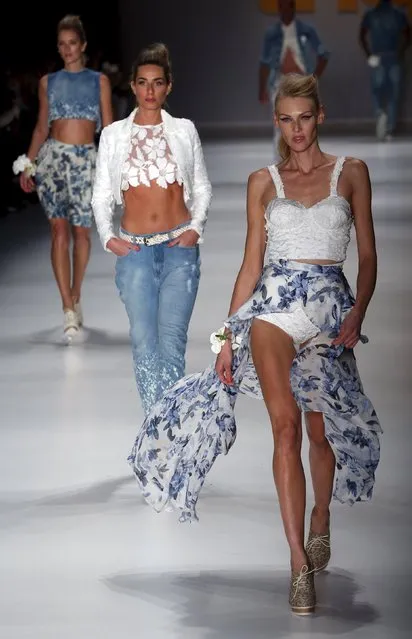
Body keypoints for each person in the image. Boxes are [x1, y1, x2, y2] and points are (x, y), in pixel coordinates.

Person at [128, 74, 382, 615]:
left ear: (321, 115)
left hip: (330, 308)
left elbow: (368, 254)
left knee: (320, 432)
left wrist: (358, 310)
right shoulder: (262, 181)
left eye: (305, 117)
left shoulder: (352, 173)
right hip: (273, 309)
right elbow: (249, 267)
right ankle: (296, 562)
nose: (296, 129)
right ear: (277, 121)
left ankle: (321, 518)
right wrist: (225, 338)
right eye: (286, 119)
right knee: (285, 424)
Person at [91, 43, 212, 415]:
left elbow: (202, 185)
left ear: (168, 87)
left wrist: (195, 227)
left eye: (157, 83)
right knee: (144, 343)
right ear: (132, 85)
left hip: (179, 250)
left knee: (172, 343)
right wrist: (109, 238)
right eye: (142, 82)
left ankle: (166, 435)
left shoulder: (184, 131)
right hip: (135, 252)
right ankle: (157, 430)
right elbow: (101, 195)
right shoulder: (113, 135)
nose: (149, 91)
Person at [13, 15, 113, 338]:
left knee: (82, 235)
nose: (67, 49)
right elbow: (42, 126)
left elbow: (109, 129)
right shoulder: (47, 83)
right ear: (58, 48)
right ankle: (67, 306)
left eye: (73, 43)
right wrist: (28, 163)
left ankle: (76, 293)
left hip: (86, 161)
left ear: (83, 45)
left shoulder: (99, 82)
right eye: (62, 44)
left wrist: (114, 168)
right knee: (59, 232)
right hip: (53, 160)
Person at [259, 0, 329, 157]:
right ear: (278, 8)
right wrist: (262, 88)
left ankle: (306, 164)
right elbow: (264, 62)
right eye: (281, 6)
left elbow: (323, 54)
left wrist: (313, 78)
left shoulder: (306, 30)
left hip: (302, 81)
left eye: (287, 5)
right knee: (280, 124)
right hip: (279, 82)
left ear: (293, 7)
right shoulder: (272, 33)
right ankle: (281, 165)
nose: (284, 9)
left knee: (306, 123)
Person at [359, 0, 411, 141]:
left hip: (378, 56)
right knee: (393, 94)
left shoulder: (371, 14)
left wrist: (369, 55)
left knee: (377, 91)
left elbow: (362, 36)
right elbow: (407, 35)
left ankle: (380, 114)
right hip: (393, 56)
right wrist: (401, 52)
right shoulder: (398, 14)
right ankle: (389, 129)